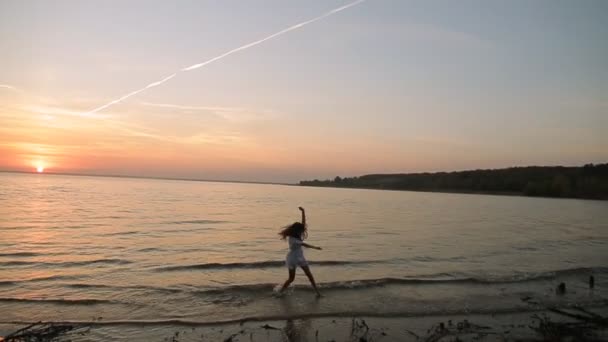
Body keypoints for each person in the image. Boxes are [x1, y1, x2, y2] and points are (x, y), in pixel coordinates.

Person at [278, 207, 322, 297]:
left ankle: (317, 293)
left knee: (309, 275)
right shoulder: (292, 239)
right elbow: (304, 244)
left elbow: (303, 223)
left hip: (300, 258)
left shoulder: (298, 234)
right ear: (296, 230)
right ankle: (280, 292)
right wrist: (315, 247)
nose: (302, 230)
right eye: (300, 229)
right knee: (291, 279)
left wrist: (303, 212)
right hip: (292, 259)